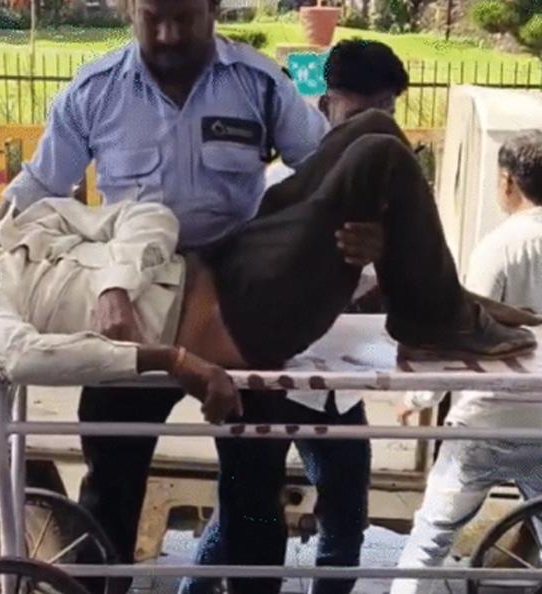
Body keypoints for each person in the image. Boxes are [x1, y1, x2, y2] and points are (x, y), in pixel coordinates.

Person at [0, 110, 538, 588]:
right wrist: (171, 359)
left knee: (372, 129)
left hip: (220, 260)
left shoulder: (26, 225)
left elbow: (146, 216)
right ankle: (437, 316)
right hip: (232, 320)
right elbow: (23, 357)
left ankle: (440, 303)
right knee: (377, 163)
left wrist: (114, 282)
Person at [0, 0, 329, 590]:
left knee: (254, 489)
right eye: (152, 18)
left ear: (213, 9)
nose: (168, 34)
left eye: (184, 19)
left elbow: (324, 165)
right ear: (130, 10)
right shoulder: (96, 92)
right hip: (130, 310)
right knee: (110, 485)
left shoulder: (258, 85)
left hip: (234, 310)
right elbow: (38, 189)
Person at [180, 38, 410, 594]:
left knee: (346, 517)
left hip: (338, 383)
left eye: (387, 113)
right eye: (361, 114)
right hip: (267, 373)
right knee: (245, 514)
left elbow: (403, 274)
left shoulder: (385, 187)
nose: (374, 129)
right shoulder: (279, 187)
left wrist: (383, 252)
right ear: (327, 105)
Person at [391, 130, 542, 594]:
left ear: (507, 182)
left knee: (429, 542)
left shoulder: (497, 248)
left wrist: (418, 397)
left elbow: (463, 335)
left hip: (486, 423)